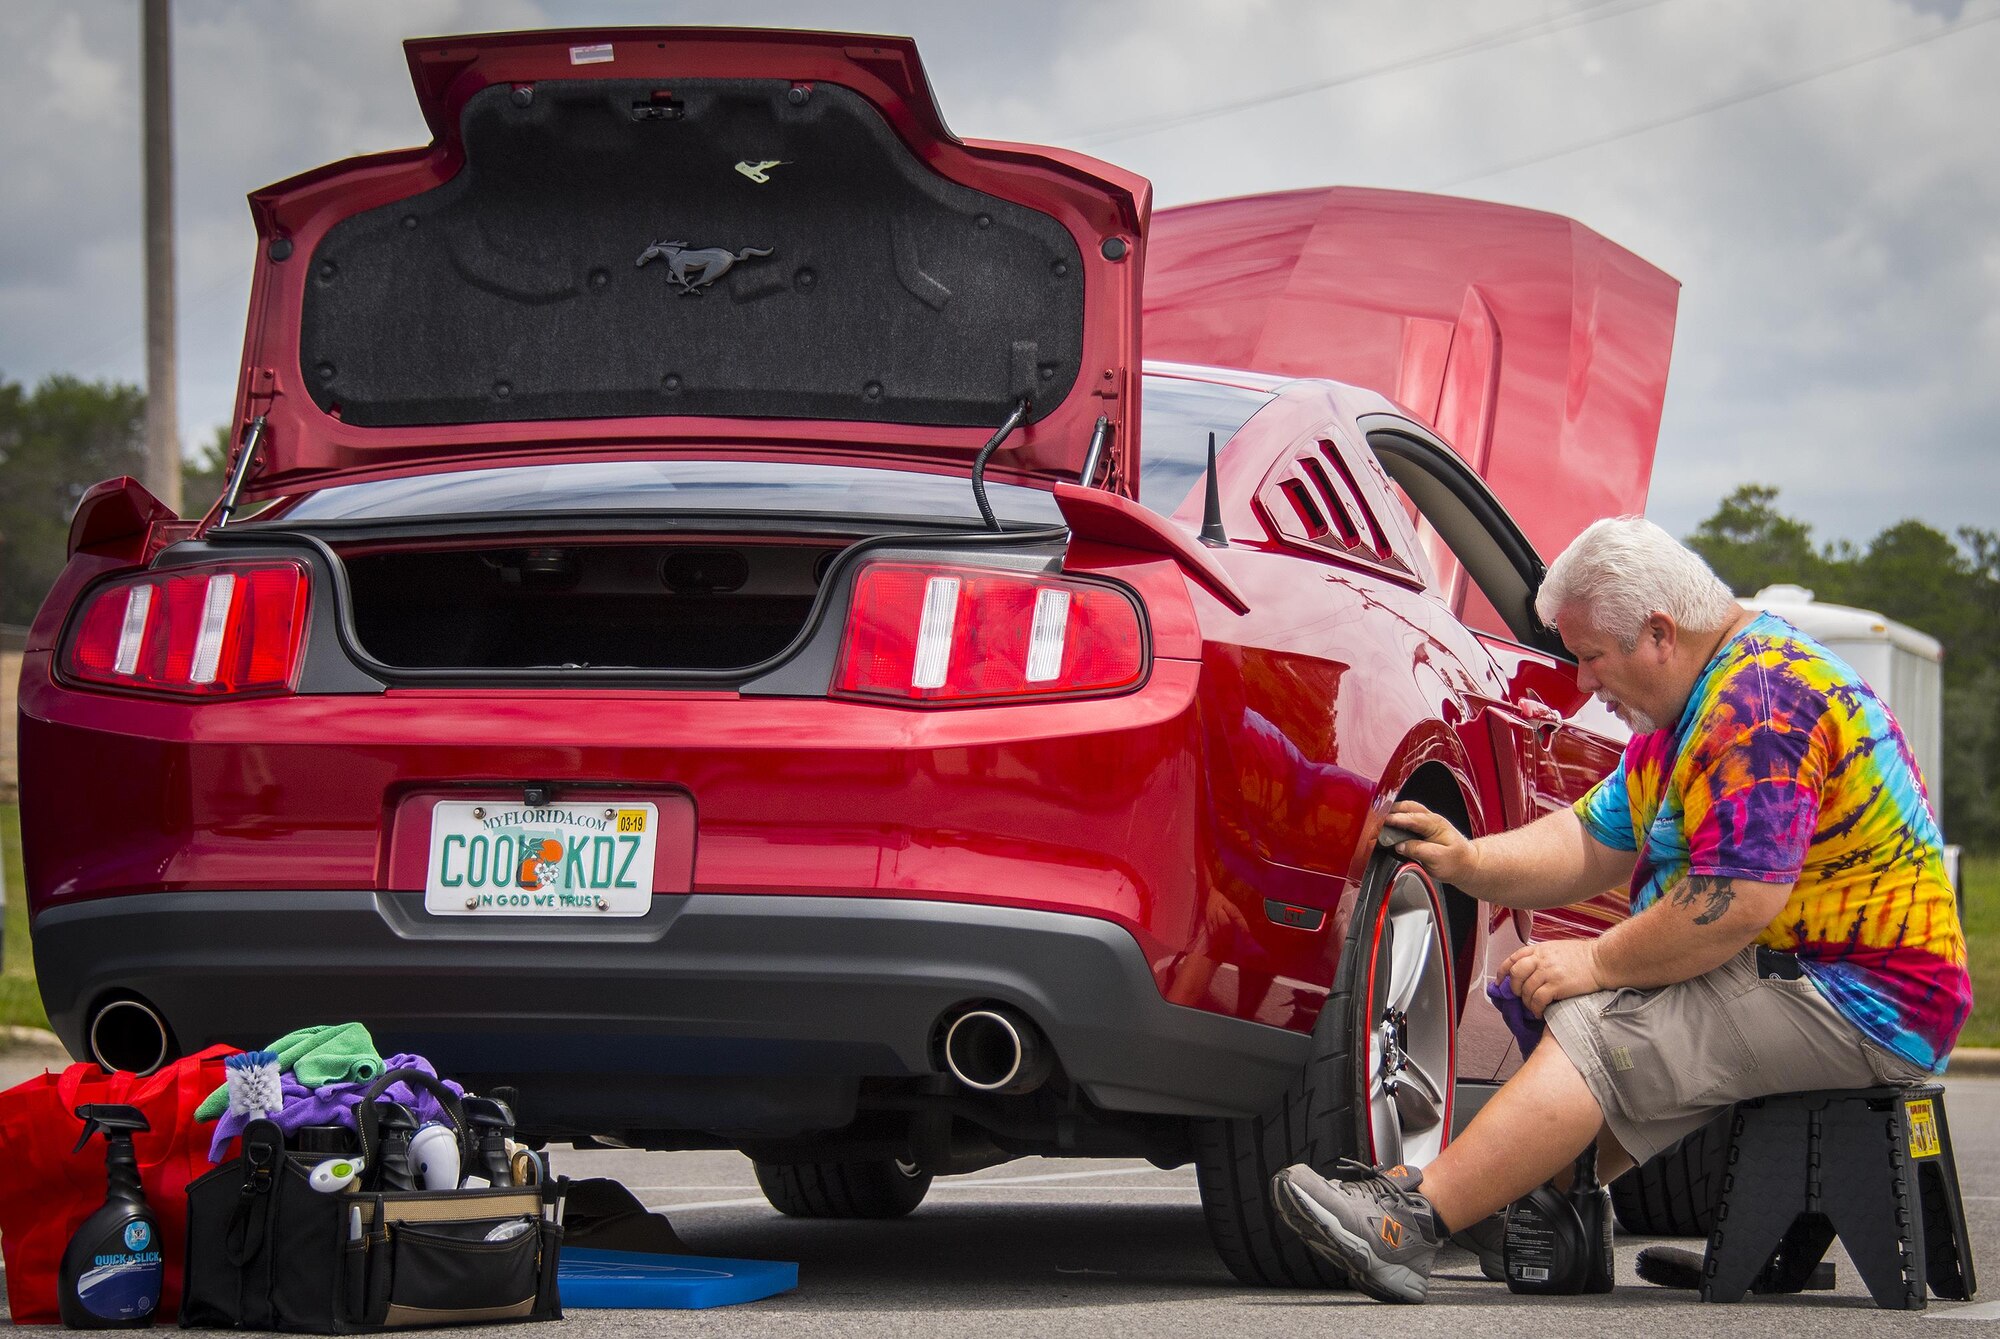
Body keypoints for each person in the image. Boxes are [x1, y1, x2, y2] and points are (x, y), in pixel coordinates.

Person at [1270, 516, 1970, 1304]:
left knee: (1603, 1022)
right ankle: (1524, 1198)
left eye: (1591, 655)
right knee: (1607, 1002)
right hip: (1831, 978)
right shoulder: (1694, 706)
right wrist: (1469, 860)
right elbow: (1589, 838)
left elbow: (1733, 902)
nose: (1582, 682)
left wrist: (1596, 961)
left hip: (1865, 998)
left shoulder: (1758, 704)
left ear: (1659, 633)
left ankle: (1411, 1222)